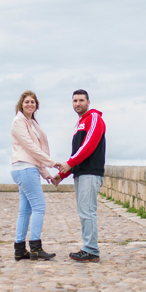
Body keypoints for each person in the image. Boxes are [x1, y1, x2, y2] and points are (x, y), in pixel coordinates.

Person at [54, 89, 106, 262]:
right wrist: (62, 175)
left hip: (91, 173)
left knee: (87, 211)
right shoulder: (80, 124)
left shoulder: (94, 118)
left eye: (81, 100)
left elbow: (89, 146)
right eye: (75, 101)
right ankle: (88, 247)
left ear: (88, 102)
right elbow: (77, 153)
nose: (78, 103)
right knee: (84, 211)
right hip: (81, 174)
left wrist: (69, 164)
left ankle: (91, 249)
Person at [10, 90, 59, 261]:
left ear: (36, 105)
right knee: (39, 207)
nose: (30, 104)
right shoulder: (18, 122)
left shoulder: (31, 123)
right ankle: (36, 248)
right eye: (27, 102)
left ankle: (19, 249)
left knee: (25, 211)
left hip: (25, 168)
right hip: (25, 168)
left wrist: (46, 173)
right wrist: (52, 163)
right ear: (21, 105)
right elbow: (31, 148)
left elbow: (34, 155)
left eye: (32, 102)